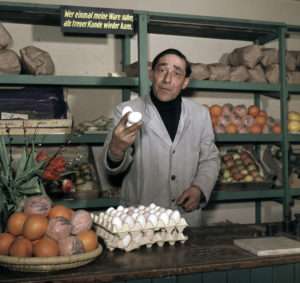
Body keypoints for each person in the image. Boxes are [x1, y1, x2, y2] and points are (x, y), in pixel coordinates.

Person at [101, 48, 220, 226]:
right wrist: (117, 148)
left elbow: (210, 158)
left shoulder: (200, 114)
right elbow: (113, 171)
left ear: (185, 82)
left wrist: (199, 188)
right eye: (162, 70)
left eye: (177, 73)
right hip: (140, 218)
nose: (167, 79)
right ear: (151, 74)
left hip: (185, 218)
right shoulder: (128, 111)